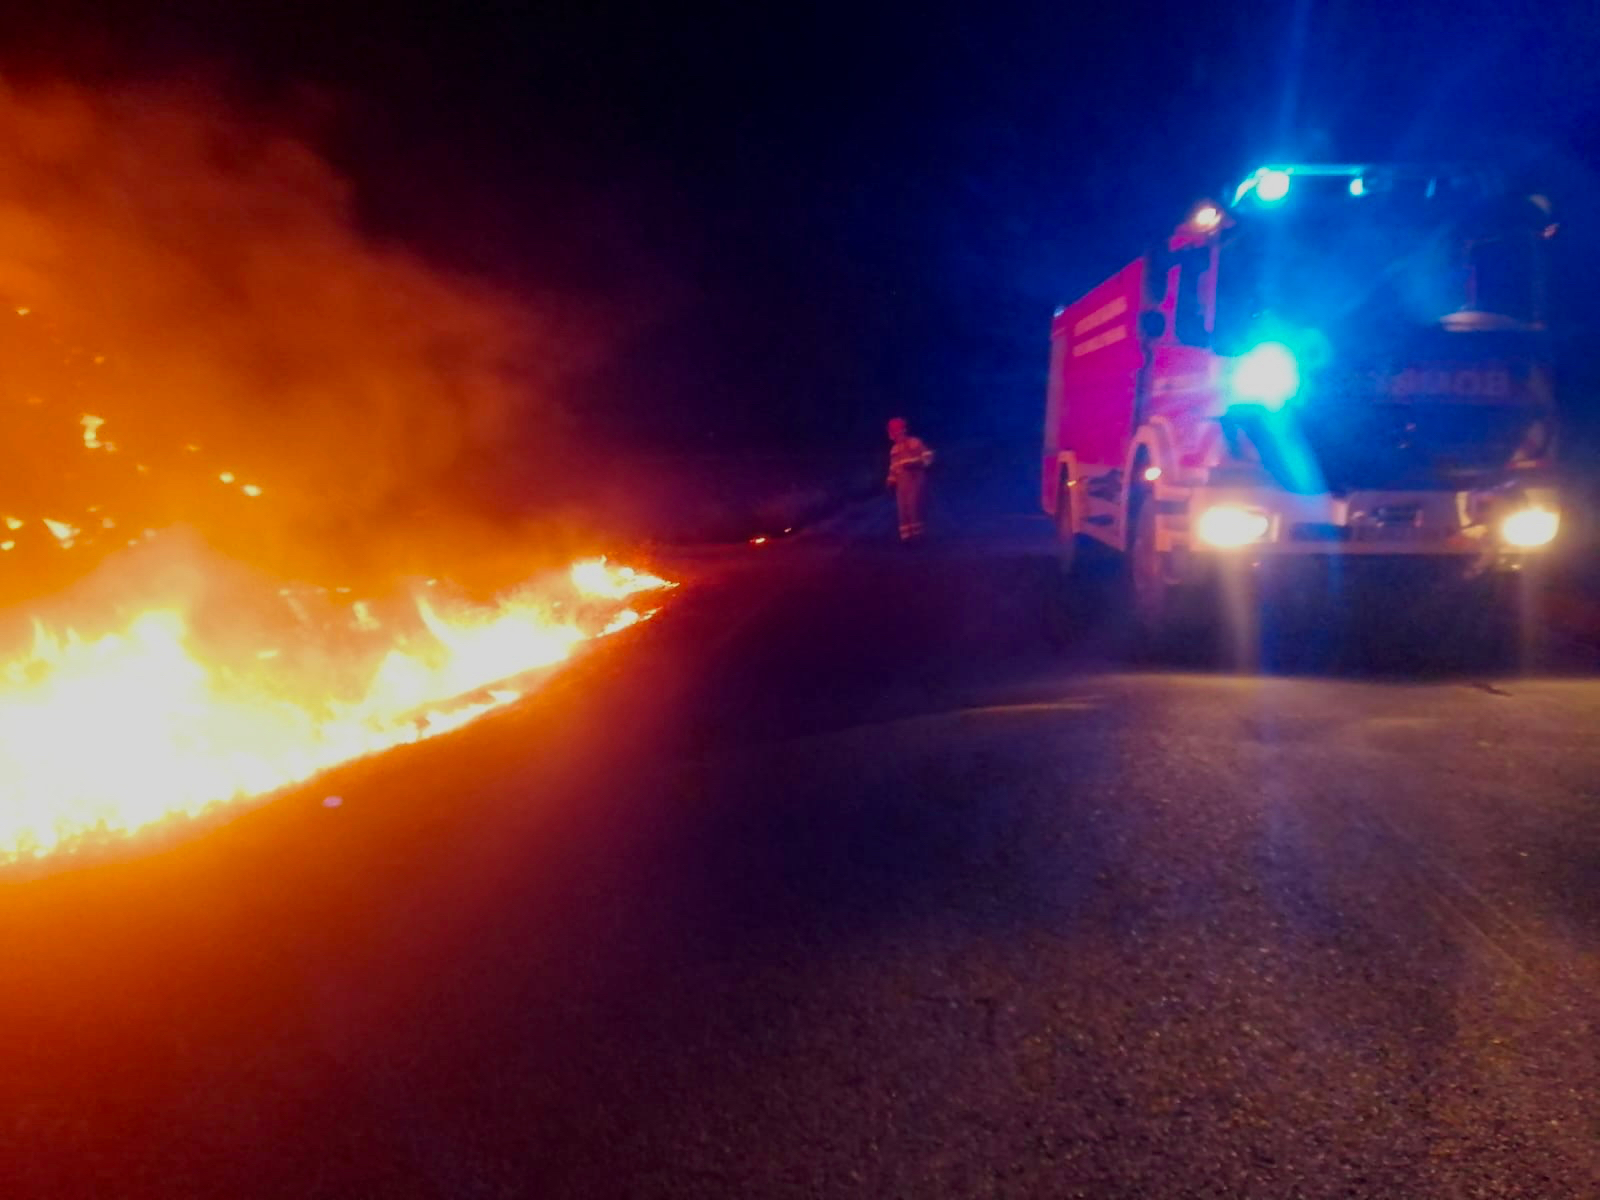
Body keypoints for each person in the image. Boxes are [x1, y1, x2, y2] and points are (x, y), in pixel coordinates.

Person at [885, 417, 934, 542]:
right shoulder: (894, 449)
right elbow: (893, 467)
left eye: (894, 431)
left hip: (915, 481)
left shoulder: (914, 442)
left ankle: (918, 537)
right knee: (903, 509)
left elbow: (928, 456)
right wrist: (891, 480)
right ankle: (906, 537)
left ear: (900, 431)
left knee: (914, 508)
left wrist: (914, 463)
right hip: (901, 484)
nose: (893, 435)